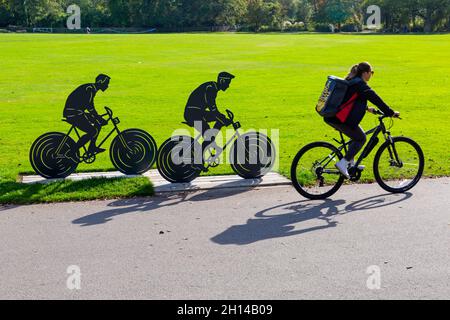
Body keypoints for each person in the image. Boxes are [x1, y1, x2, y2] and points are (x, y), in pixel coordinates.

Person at [325, 62, 400, 179]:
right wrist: (390, 112)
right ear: (365, 73)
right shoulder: (361, 85)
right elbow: (376, 99)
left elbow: (348, 100)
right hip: (340, 119)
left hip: (335, 116)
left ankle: (351, 164)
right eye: (371, 72)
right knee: (361, 138)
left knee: (356, 136)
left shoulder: (353, 81)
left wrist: (367, 108)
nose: (371, 75)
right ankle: (343, 163)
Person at [63, 74, 110, 161]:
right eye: (106, 83)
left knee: (98, 124)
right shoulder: (90, 89)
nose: (107, 86)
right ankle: (72, 151)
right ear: (100, 82)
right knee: (92, 131)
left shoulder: (92, 88)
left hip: (77, 112)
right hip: (73, 113)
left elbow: (90, 105)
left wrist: (97, 117)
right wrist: (97, 116)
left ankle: (92, 147)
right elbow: (89, 105)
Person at [184, 72, 234, 150]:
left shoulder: (213, 87)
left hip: (196, 112)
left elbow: (213, 111)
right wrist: (223, 119)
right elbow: (213, 109)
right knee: (209, 134)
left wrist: (222, 118)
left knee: (220, 119)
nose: (228, 86)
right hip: (193, 113)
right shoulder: (211, 88)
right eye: (227, 83)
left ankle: (211, 143)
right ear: (222, 81)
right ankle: (199, 157)